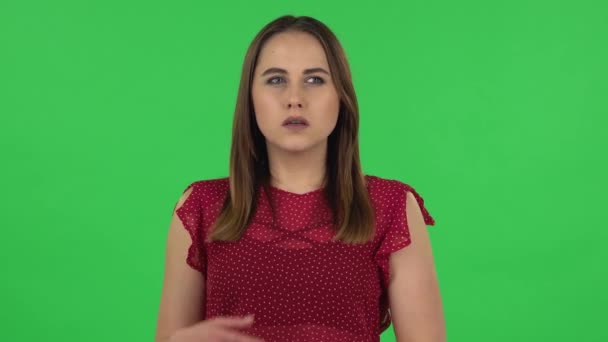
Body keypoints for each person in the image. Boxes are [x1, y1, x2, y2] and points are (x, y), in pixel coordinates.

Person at [155, 15, 445, 342]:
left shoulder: (391, 208)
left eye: (315, 80)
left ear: (342, 97)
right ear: (250, 99)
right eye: (276, 79)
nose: (294, 98)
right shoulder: (200, 208)